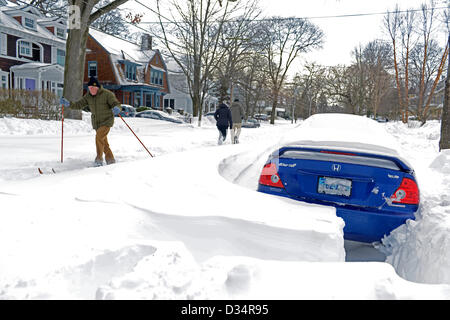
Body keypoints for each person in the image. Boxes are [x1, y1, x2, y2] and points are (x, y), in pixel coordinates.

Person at [60, 77, 122, 166]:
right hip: (97, 123)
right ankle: (111, 160)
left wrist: (117, 108)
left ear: (97, 87)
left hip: (107, 121)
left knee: (99, 138)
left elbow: (116, 103)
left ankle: (99, 160)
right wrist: (68, 104)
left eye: (93, 88)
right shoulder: (88, 97)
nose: (91, 90)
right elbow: (78, 105)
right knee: (103, 142)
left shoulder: (107, 94)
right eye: (89, 88)